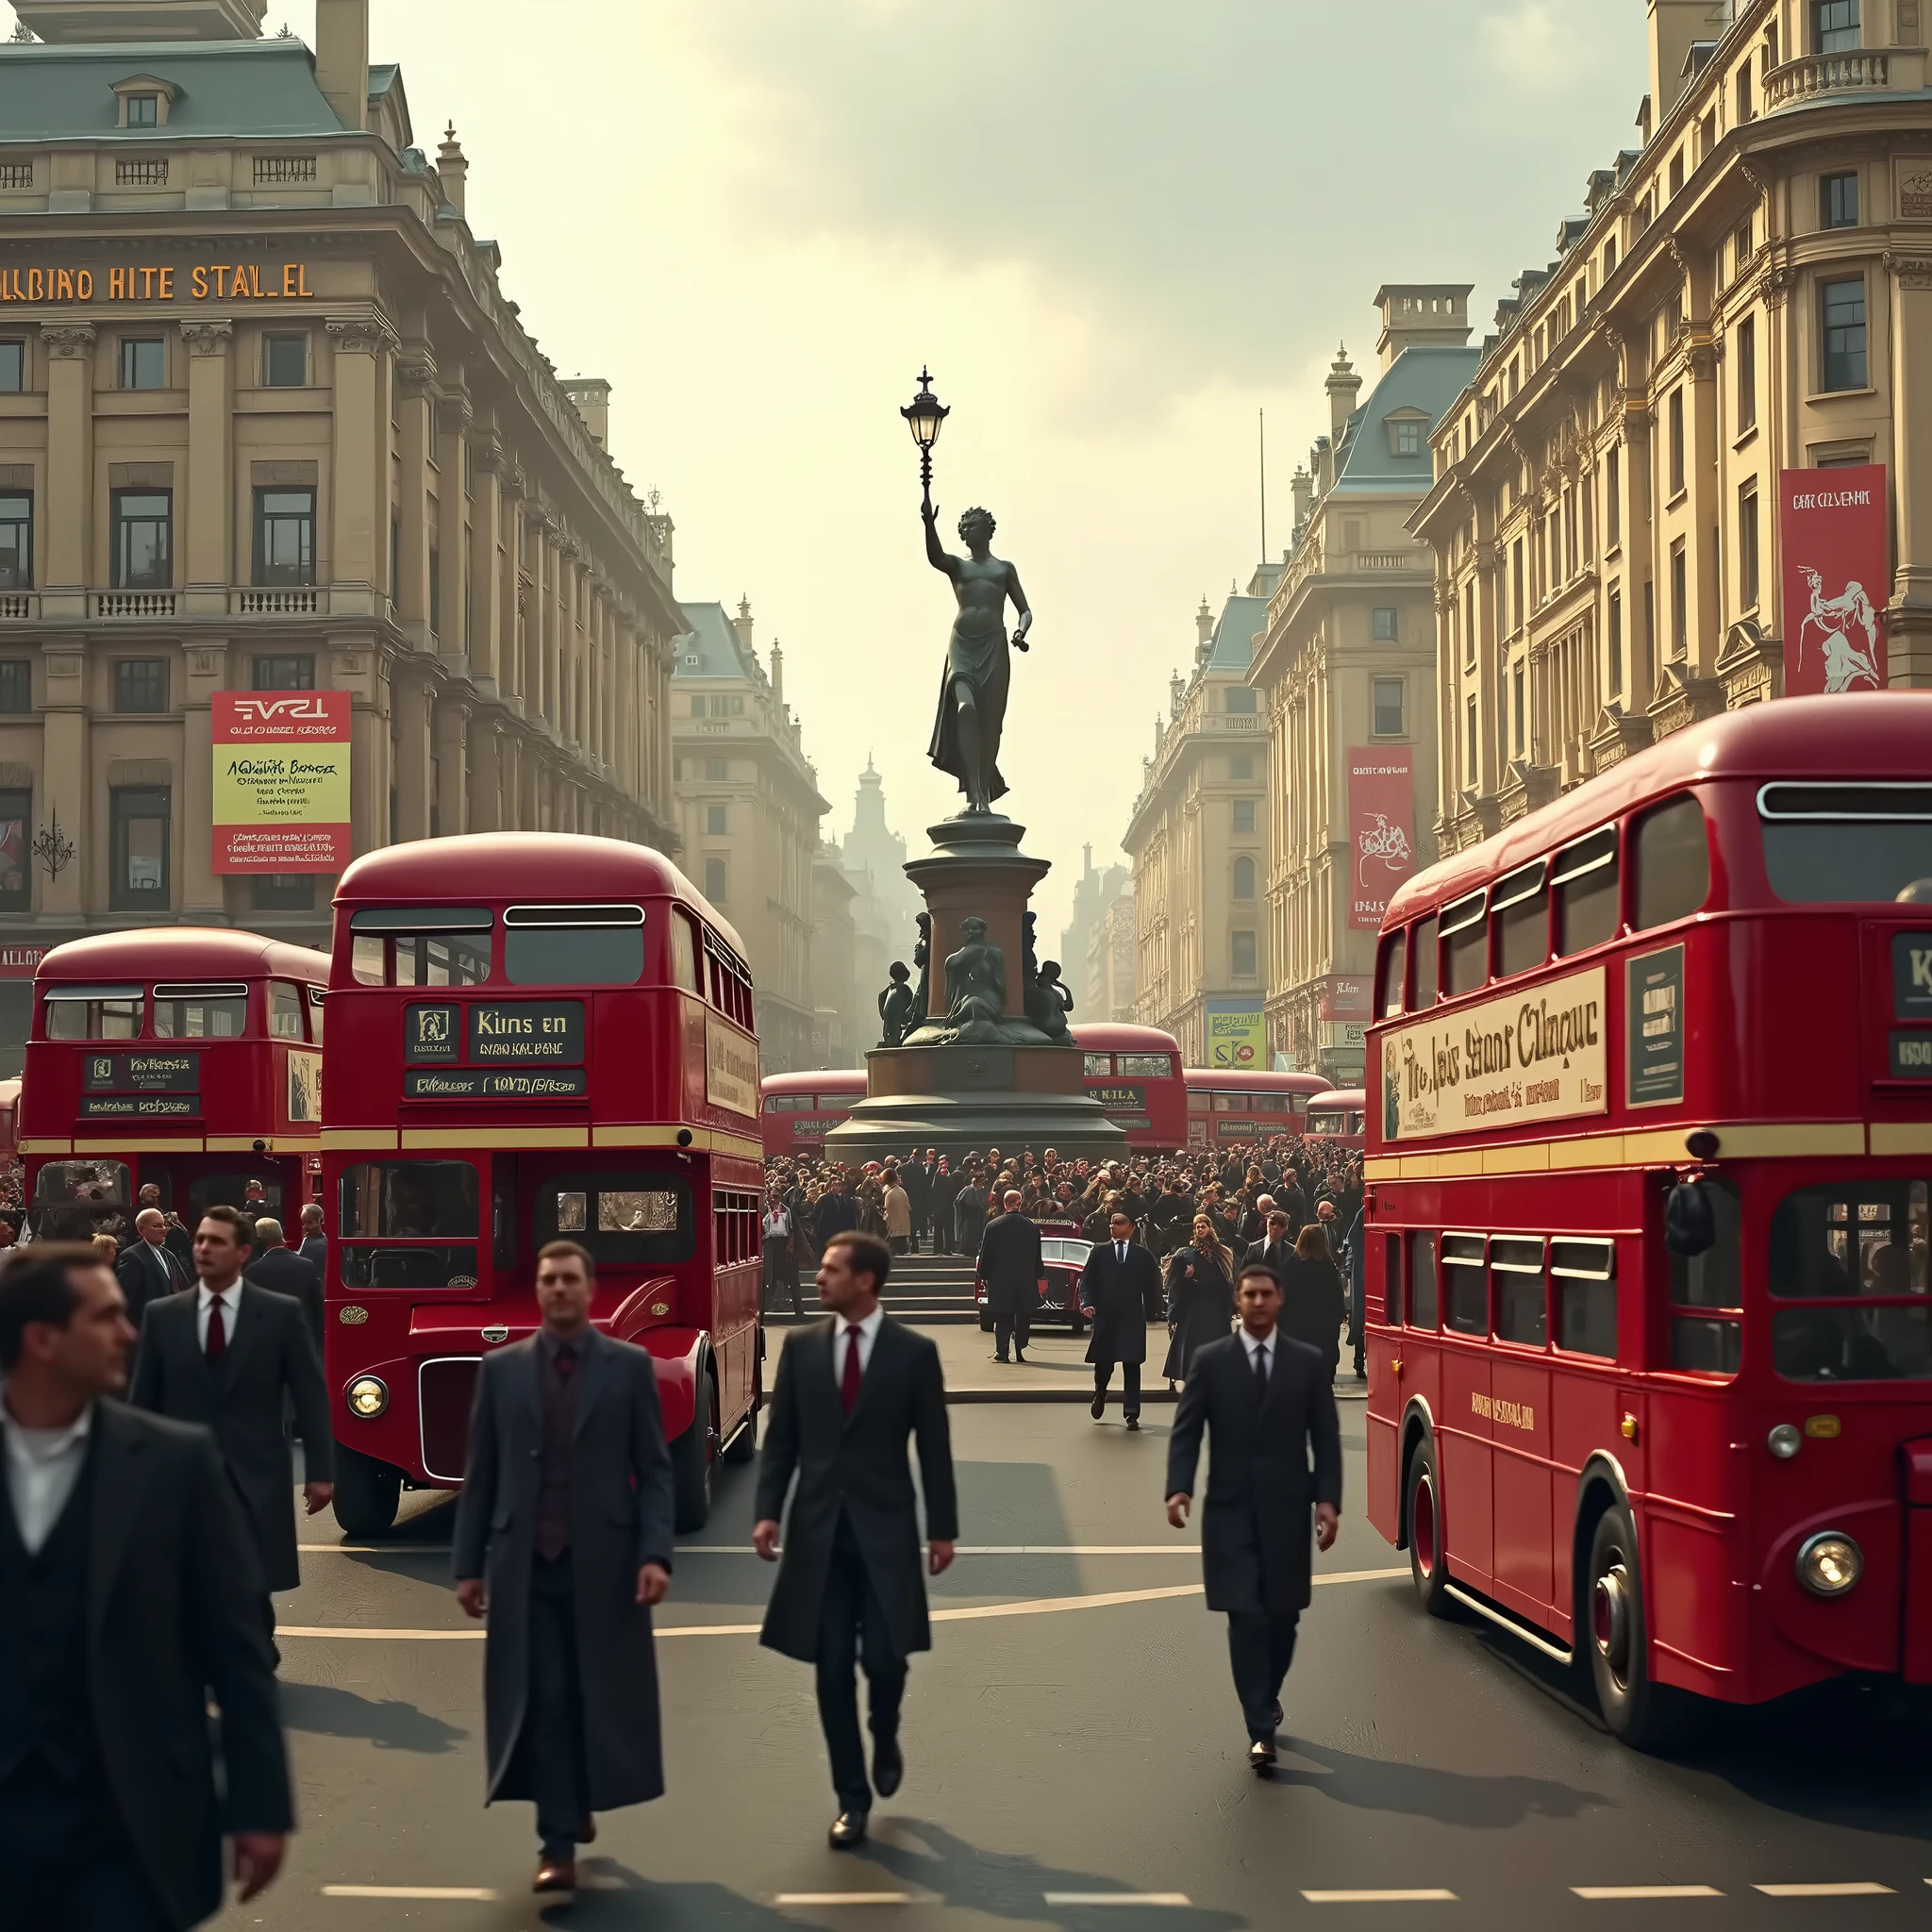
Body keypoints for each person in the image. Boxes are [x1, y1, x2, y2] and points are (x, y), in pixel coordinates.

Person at [0, 1242, 292, 1929]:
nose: (130, 1331)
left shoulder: (175, 1463)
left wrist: (260, 1808)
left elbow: (238, 1648)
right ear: (42, 1339)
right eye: (105, 1318)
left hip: (130, 1821)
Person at [453, 1240, 675, 1894]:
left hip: (605, 1563)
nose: (557, 1289)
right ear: (540, 1289)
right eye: (547, 1279)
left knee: (592, 1694)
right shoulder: (500, 1370)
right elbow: (482, 1473)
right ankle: (555, 1842)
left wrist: (655, 1553)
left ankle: (579, 1798)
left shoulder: (630, 1367)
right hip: (525, 1563)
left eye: (569, 1279)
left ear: (589, 1288)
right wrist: (469, 1565)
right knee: (543, 1697)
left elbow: (656, 1473)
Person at [753, 1230, 958, 1849]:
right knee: (832, 1666)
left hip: (886, 1530)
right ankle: (851, 1798)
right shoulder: (800, 1347)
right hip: (820, 1535)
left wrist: (943, 1529)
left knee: (884, 1660)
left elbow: (934, 1445)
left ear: (865, 1281)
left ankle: (885, 1726)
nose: (817, 1278)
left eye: (830, 1270)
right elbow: (782, 1438)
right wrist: (768, 1512)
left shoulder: (914, 1353)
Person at [128, 1207, 334, 1655]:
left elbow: (310, 1393)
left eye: (215, 1241)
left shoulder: (278, 1315)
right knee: (191, 1570)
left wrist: (321, 1470)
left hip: (256, 1467)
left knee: (252, 1571)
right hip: (183, 1473)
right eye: (199, 1240)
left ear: (243, 1253)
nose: (202, 1248)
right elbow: (142, 1402)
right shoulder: (163, 1317)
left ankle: (255, 1647)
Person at [1165, 1263, 1342, 1771]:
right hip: (1230, 1512)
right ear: (1237, 1302)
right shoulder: (1211, 1360)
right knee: (1245, 1618)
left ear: (1279, 1298)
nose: (1258, 1302)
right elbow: (1186, 1430)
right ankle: (1259, 1724)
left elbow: (1326, 1440)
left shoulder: (1307, 1364)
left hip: (1288, 1510)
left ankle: (1269, 1690)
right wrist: (1179, 1487)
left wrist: (1327, 1500)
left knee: (1283, 1619)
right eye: (1249, 1294)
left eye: (1266, 1293)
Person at [1078, 1209, 1159, 1431]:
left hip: (1132, 1316)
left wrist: (1155, 1312)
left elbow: (1153, 1284)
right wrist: (1087, 1303)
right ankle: (1100, 1393)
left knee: (1132, 1364)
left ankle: (1131, 1414)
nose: (1112, 1226)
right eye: (1111, 1223)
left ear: (1131, 1226)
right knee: (1104, 1363)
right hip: (1106, 1316)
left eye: (1118, 1223)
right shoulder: (1099, 1252)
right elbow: (1086, 1281)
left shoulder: (1142, 1255)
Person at [1163, 1212, 1236, 1388]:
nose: (1200, 1228)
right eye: (1197, 1226)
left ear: (1209, 1228)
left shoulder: (1222, 1252)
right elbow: (1175, 1284)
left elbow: (1226, 1279)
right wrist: (1187, 1277)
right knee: (1191, 1344)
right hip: (1193, 1306)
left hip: (1215, 1306)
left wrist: (1231, 1305)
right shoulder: (1186, 1253)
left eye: (1203, 1225)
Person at [976, 1188, 1041, 1365]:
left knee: (1003, 1314)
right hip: (1025, 1279)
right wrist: (1038, 1274)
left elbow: (986, 1254)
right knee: (1022, 1314)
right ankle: (1020, 1348)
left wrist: (983, 1273)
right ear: (1020, 1203)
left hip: (1000, 1279)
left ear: (1005, 1203)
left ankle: (1002, 1350)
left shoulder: (993, 1226)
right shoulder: (1031, 1227)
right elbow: (1037, 1255)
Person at [243, 1218, 325, 1352]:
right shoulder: (306, 1265)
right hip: (303, 1342)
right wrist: (317, 1343)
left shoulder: (253, 1271)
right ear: (281, 1234)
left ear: (261, 1240)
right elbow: (317, 1308)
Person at [1280, 1223, 1346, 1383]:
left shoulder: (1291, 1265)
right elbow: (1336, 1294)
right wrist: (1340, 1316)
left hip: (1297, 1323)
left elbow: (1283, 1295)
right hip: (1324, 1324)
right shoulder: (1327, 1266)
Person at [116, 1206, 191, 1332]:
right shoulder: (133, 1256)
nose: (163, 1230)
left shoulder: (169, 1255)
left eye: (163, 1225)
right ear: (141, 1230)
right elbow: (123, 1301)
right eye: (156, 1226)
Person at [763, 1195, 802, 1318]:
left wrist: (790, 1246)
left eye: (776, 1196)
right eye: (770, 1196)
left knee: (793, 1279)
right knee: (770, 1279)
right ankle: (764, 1309)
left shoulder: (787, 1211)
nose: (772, 1199)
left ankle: (799, 1310)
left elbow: (792, 1229)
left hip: (784, 1246)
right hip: (770, 1246)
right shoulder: (764, 1210)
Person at [1243, 1209, 1296, 1285]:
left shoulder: (1292, 1251)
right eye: (1271, 1223)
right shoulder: (1253, 1248)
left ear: (1285, 1228)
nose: (1274, 1227)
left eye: (1280, 1225)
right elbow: (1244, 1274)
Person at [882, 1167, 912, 1257]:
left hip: (894, 1229)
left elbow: (888, 1211)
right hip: (903, 1226)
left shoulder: (890, 1194)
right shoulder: (902, 1191)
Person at [296, 1202, 327, 1274]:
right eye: (303, 1223)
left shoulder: (312, 1243)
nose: (305, 1227)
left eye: (309, 1223)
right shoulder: (309, 1239)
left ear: (320, 1222)